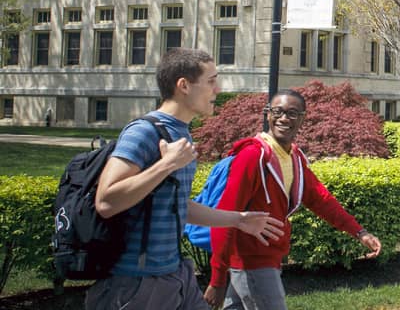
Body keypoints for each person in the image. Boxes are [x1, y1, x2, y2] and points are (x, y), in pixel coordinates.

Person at [88, 48, 285, 310]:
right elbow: (106, 201)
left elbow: (178, 203)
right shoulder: (144, 132)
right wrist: (167, 164)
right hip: (137, 285)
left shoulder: (181, 134)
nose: (218, 90)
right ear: (184, 85)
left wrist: (238, 220)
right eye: (211, 81)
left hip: (176, 275)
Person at [204, 90, 383, 309]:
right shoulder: (252, 156)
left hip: (266, 260)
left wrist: (359, 232)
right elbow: (225, 217)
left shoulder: (294, 158)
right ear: (267, 114)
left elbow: (322, 200)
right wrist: (217, 278)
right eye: (277, 111)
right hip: (252, 263)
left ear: (302, 118)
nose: (283, 118)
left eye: (292, 113)